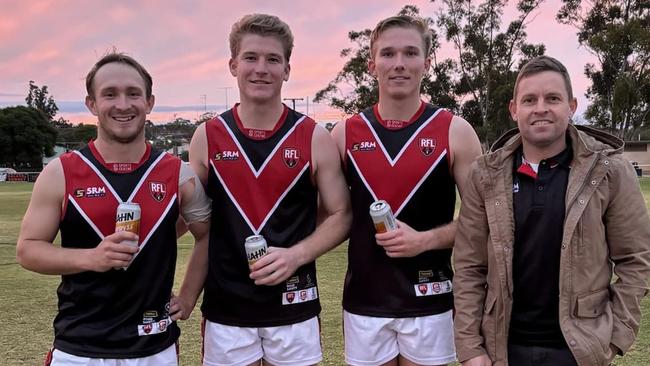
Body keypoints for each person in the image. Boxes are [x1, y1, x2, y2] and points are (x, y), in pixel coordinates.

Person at [177, 13, 351, 366]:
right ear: (232, 65)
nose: (261, 69)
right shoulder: (207, 136)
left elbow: (341, 214)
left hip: (294, 302)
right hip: (227, 308)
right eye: (251, 58)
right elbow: (193, 221)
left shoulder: (313, 136)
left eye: (273, 59)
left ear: (287, 69)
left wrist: (295, 256)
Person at [15, 52, 211, 365]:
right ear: (92, 104)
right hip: (79, 348)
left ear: (149, 102)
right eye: (109, 94)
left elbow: (208, 235)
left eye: (133, 93)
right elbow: (28, 250)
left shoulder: (178, 173)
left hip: (154, 347)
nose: (122, 104)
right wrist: (92, 257)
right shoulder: (61, 172)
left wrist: (188, 297)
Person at [453, 55, 650, 366]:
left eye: (553, 98)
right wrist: (470, 348)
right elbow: (468, 267)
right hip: (504, 349)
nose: (541, 107)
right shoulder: (485, 175)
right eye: (529, 99)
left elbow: (636, 259)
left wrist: (615, 338)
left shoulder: (610, 171)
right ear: (514, 109)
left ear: (571, 106)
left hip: (579, 350)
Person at [331, 15, 482, 366]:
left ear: (426, 63)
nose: (399, 64)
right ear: (372, 65)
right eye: (388, 54)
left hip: (430, 297)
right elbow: (328, 216)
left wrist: (424, 241)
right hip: (365, 301)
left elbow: (484, 218)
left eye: (410, 53)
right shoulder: (344, 135)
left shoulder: (454, 131)